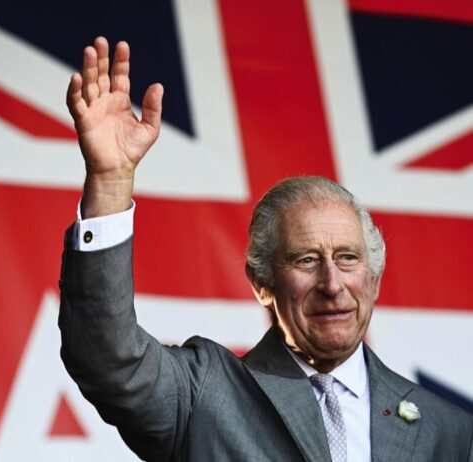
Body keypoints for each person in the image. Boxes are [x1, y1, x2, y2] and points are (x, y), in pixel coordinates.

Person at [59, 37, 473, 461]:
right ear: (262, 284)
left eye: (348, 258)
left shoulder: (447, 431)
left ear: (374, 279)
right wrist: (109, 183)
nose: (332, 284)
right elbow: (108, 359)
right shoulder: (205, 396)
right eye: (306, 260)